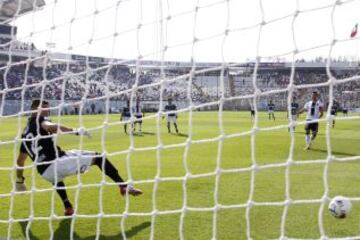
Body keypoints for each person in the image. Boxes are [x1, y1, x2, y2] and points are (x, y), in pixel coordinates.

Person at [15, 99, 142, 216]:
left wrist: (19, 180)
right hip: (58, 163)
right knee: (99, 157)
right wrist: (75, 131)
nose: (47, 111)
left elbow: (20, 161)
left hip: (44, 172)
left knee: (57, 178)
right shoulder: (40, 120)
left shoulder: (25, 133)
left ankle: (68, 207)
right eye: (45, 108)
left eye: (48, 108)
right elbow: (50, 127)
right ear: (36, 109)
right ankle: (123, 186)